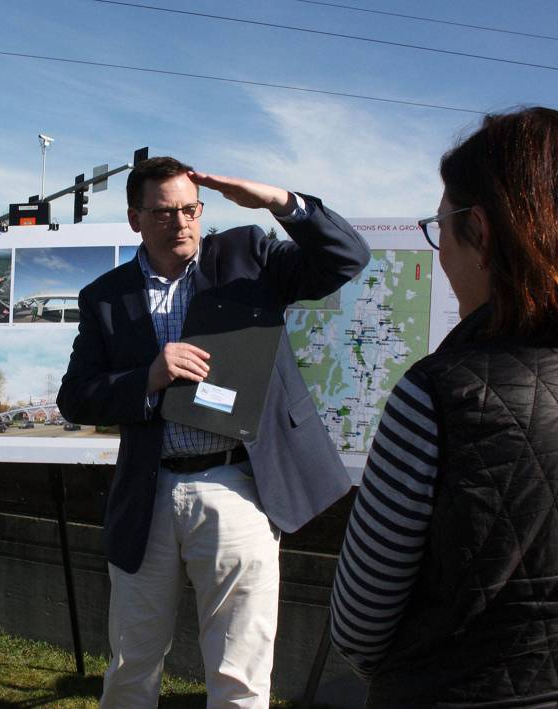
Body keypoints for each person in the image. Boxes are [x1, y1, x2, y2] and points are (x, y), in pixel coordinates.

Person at [329, 107, 558, 707]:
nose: (440, 254)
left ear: (480, 233)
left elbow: (359, 624)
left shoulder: (438, 394)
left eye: (441, 230)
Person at [57, 156, 370, 707]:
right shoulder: (105, 297)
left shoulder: (248, 257)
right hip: (147, 495)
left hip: (238, 486)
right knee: (132, 664)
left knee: (240, 672)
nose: (180, 223)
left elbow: (347, 256)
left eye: (190, 209)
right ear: (135, 219)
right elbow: (75, 396)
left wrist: (277, 200)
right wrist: (147, 377)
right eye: (162, 213)